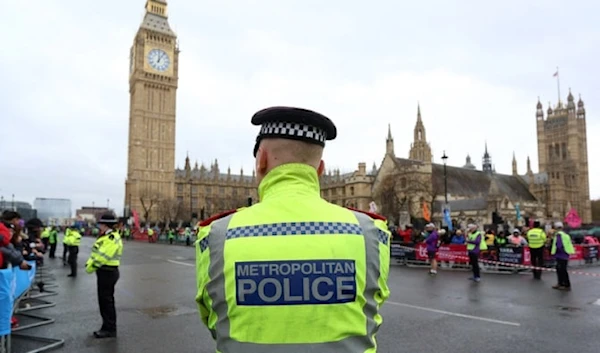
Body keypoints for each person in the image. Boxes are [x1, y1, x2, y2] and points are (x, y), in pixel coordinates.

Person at [195, 106, 391, 352]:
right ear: (320, 170)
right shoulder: (371, 233)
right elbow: (373, 310)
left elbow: (213, 318)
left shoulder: (216, 235)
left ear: (261, 160)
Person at [85, 213, 123, 338]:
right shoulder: (106, 237)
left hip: (108, 271)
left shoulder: (111, 238)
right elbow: (96, 254)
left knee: (106, 301)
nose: (99, 226)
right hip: (105, 271)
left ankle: (110, 328)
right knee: (104, 301)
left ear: (106, 225)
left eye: (100, 224)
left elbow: (102, 257)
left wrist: (90, 267)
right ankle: (107, 326)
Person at [551, 222, 574, 291]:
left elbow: (559, 245)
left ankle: (566, 285)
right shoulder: (565, 235)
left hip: (561, 255)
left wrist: (556, 252)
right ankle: (560, 283)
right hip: (565, 254)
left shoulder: (559, 235)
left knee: (562, 270)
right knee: (560, 269)